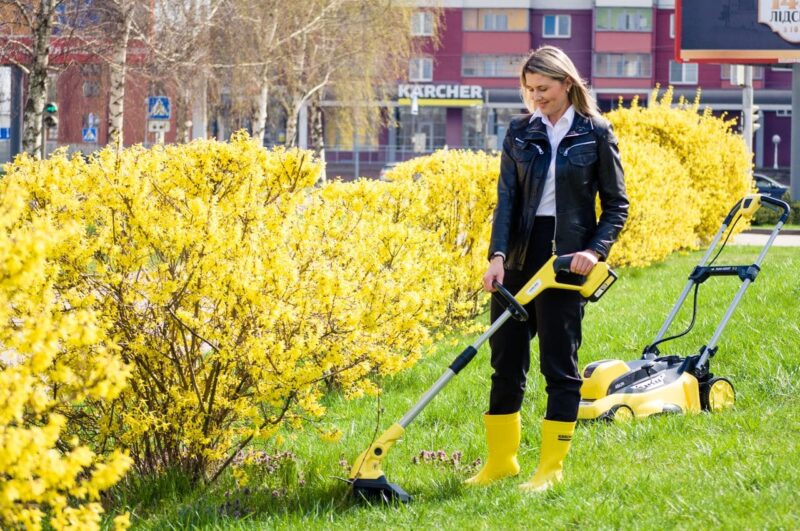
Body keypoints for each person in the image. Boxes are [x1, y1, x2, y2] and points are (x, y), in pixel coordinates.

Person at [465, 46, 628, 492]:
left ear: (567, 84)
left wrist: (595, 251)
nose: (536, 98)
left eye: (544, 89)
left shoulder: (595, 133)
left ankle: (550, 469)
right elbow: (507, 202)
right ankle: (501, 462)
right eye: (530, 90)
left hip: (566, 260)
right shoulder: (519, 132)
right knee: (505, 362)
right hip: (518, 257)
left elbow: (616, 205)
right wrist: (496, 258)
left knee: (559, 364)